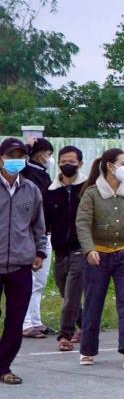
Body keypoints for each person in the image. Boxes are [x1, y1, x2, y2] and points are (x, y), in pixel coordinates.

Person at [76, 148, 124, 369]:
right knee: (93, 303)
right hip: (98, 256)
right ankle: (87, 350)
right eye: (123, 163)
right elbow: (83, 224)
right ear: (110, 166)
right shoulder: (91, 193)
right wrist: (89, 250)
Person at [0, 138, 48, 385]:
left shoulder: (31, 189)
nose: (15, 160)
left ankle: (4, 366)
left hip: (21, 264)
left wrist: (39, 252)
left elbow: (38, 225)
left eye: (20, 156)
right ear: (1, 158)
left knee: (16, 319)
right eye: (11, 155)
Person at [45, 145, 87, 351]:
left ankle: (65, 335)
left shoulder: (88, 189)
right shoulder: (51, 191)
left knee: (72, 294)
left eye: (71, 161)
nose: (67, 165)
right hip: (60, 249)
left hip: (82, 248)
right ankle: (86, 324)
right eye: (63, 162)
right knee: (65, 291)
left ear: (80, 164)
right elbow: (44, 222)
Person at [20, 137, 53, 339]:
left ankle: (36, 320)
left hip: (45, 234)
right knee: (29, 280)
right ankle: (24, 323)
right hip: (30, 234)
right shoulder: (27, 172)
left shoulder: (44, 175)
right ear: (39, 154)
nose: (50, 158)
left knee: (40, 281)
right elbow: (15, 159)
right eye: (48, 154)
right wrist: (27, 147)